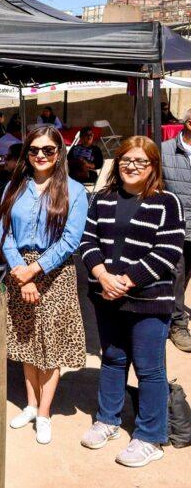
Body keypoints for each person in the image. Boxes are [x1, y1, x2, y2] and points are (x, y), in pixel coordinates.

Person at [78, 136, 181, 468]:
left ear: (153, 166)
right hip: (105, 294)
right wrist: (102, 276)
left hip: (149, 298)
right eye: (126, 159)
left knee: (150, 369)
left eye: (141, 161)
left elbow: (168, 253)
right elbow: (88, 240)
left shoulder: (167, 203)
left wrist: (127, 281)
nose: (132, 166)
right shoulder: (103, 198)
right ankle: (108, 418)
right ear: (117, 162)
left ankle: (150, 436)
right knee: (112, 358)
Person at [0, 126, 88, 445]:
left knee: (50, 345)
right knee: (26, 340)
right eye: (34, 150)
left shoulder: (75, 191)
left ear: (59, 153)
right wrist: (19, 270)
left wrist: (34, 270)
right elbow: (4, 230)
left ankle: (45, 412)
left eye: (48, 150)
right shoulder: (15, 186)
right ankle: (31, 404)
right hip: (19, 269)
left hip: (54, 272)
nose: (40, 156)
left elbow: (70, 240)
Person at [160, 109, 191, 352]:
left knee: (184, 275)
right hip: (175, 226)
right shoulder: (164, 150)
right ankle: (177, 323)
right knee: (176, 274)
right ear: (189, 124)